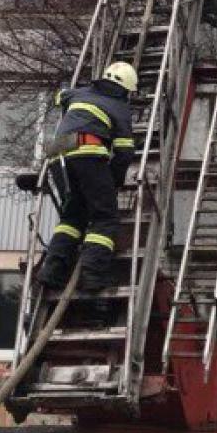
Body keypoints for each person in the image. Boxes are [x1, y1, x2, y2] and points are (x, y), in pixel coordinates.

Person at [37, 61, 138, 293]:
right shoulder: (119, 107)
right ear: (125, 89)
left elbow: (59, 96)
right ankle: (92, 275)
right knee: (105, 217)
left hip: (57, 154)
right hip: (87, 153)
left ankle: (52, 272)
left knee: (73, 215)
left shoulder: (78, 93)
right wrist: (114, 180)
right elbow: (124, 151)